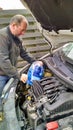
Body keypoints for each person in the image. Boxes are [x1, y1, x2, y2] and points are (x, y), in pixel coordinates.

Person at [0, 14, 36, 96]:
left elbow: (24, 53)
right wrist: (18, 75)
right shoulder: (2, 36)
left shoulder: (17, 37)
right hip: (1, 76)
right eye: (22, 30)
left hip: (11, 74)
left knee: (9, 98)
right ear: (14, 26)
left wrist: (35, 62)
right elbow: (3, 60)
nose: (23, 33)